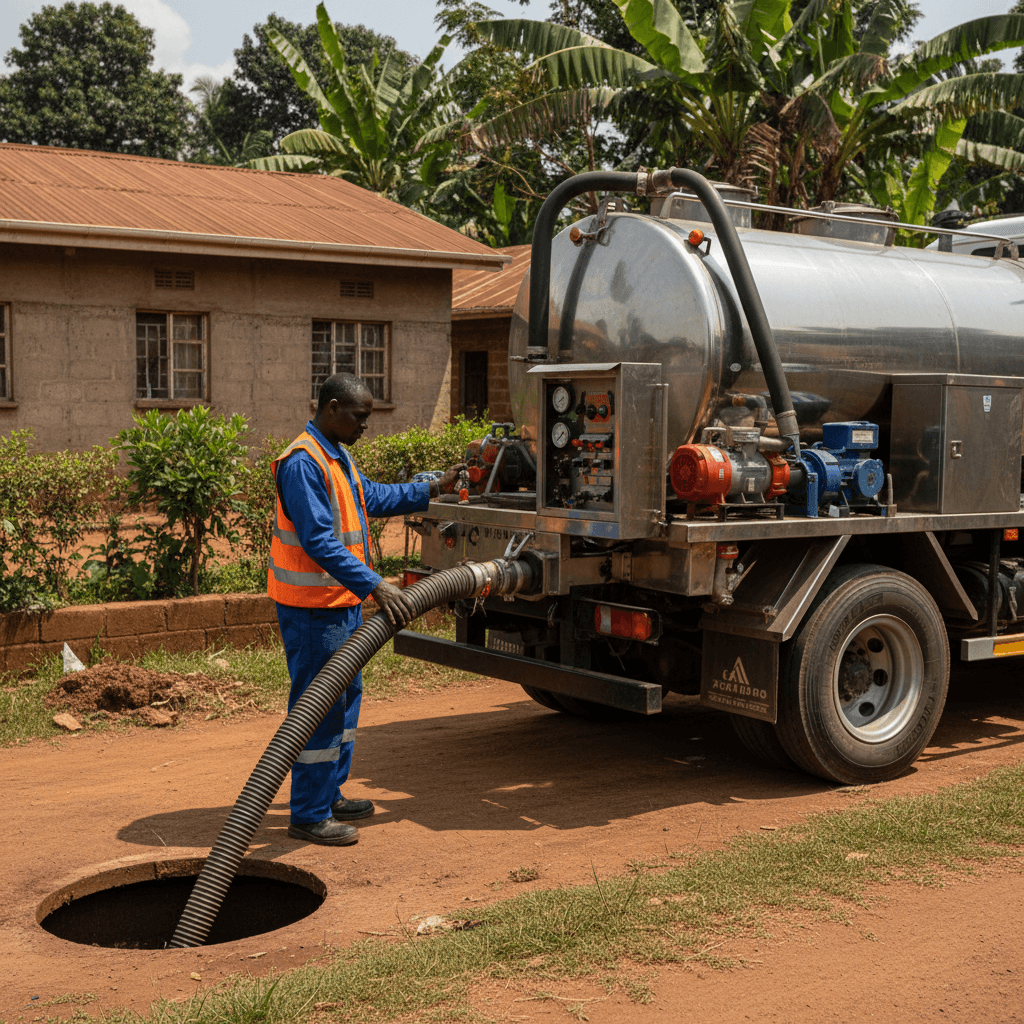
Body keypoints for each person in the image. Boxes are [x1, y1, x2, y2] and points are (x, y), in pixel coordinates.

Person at [268, 372, 462, 846]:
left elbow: (370, 497)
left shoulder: (335, 455)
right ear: (332, 408)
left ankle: (329, 793)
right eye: (359, 416)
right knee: (320, 707)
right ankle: (309, 813)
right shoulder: (302, 463)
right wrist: (377, 585)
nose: (365, 426)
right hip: (314, 609)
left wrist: (433, 488)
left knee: (346, 696)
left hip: (339, 604)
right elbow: (317, 541)